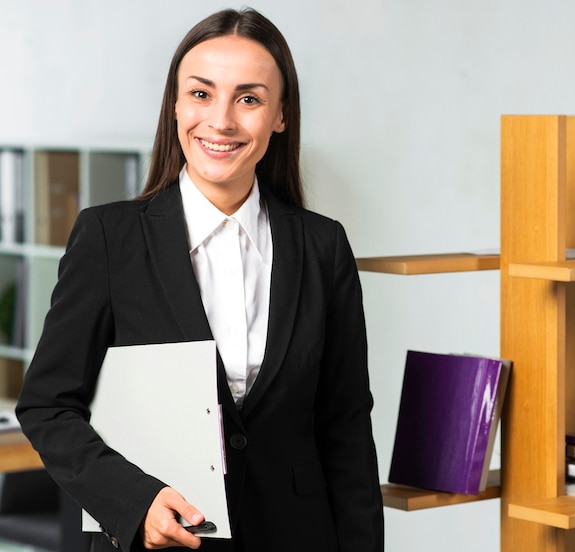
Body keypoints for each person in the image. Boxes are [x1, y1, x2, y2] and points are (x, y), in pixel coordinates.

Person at [16, 7, 384, 552]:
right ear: (175, 105)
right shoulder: (109, 237)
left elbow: (346, 427)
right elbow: (47, 406)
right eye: (201, 94)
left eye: (250, 98)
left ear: (281, 115)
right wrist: (134, 500)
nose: (222, 121)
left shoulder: (322, 246)